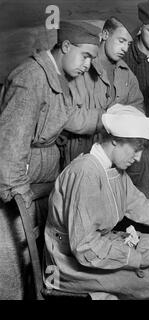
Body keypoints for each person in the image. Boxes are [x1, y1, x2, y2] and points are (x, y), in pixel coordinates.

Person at [44, 108, 149, 299]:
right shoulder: (85, 172)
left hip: (93, 252)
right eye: (136, 148)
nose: (138, 157)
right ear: (115, 140)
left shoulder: (113, 170)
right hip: (65, 267)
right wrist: (137, 259)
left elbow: (141, 205)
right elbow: (84, 247)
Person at [0, 21, 103, 299]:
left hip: (41, 188)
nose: (88, 65)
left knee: (38, 273)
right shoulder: (30, 78)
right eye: (86, 56)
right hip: (18, 195)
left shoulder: (59, 79)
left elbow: (74, 119)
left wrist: (108, 119)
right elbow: (11, 146)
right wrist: (20, 198)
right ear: (66, 47)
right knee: (13, 272)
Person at [63, 16, 145, 167]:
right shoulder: (80, 67)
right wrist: (106, 119)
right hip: (79, 154)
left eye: (129, 43)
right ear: (105, 35)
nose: (125, 48)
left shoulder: (127, 75)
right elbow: (65, 115)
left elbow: (137, 111)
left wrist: (124, 120)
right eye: (121, 41)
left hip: (115, 157)